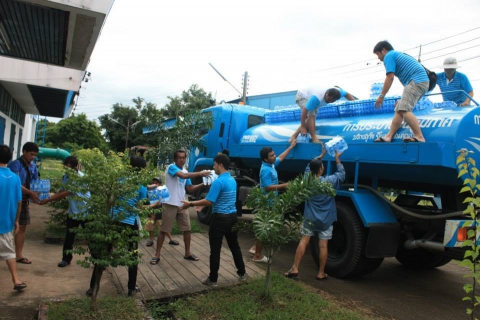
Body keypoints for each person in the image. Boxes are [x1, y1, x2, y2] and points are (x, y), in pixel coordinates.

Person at [180, 153, 247, 286]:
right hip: (232, 218)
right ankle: (242, 273)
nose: (214, 167)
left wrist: (191, 204)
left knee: (215, 250)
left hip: (219, 219)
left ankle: (213, 279)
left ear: (220, 165)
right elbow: (220, 199)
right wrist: (200, 205)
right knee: (235, 246)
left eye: (215, 165)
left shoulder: (219, 181)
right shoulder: (232, 180)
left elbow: (210, 201)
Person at [87, 155, 148, 297]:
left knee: (104, 253)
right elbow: (140, 206)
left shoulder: (118, 180)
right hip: (129, 223)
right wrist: (155, 205)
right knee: (132, 255)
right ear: (142, 169)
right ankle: (131, 288)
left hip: (114, 221)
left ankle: (92, 287)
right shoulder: (140, 185)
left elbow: (112, 199)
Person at [285, 144, 345, 280]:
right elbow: (341, 175)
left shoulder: (307, 179)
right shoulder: (329, 181)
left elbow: (308, 167)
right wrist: (337, 159)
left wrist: (320, 155)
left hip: (310, 218)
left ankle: (294, 268)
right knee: (323, 246)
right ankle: (321, 273)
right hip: (326, 220)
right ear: (321, 169)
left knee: (304, 241)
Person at [150, 150, 210, 265]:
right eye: (179, 158)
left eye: (183, 158)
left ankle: (187, 253)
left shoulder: (186, 171)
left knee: (187, 229)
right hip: (170, 203)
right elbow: (182, 176)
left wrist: (204, 184)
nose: (182, 160)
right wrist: (200, 173)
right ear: (175, 159)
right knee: (164, 230)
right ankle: (157, 254)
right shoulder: (171, 167)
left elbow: (190, 188)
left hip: (182, 204)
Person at [250, 140, 298, 263]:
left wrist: (291, 147)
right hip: (267, 203)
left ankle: (256, 248)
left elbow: (280, 158)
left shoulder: (270, 165)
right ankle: (257, 255)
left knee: (265, 227)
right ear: (266, 159)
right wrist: (285, 185)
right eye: (272, 155)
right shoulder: (265, 169)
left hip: (271, 201)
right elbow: (267, 187)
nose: (275, 156)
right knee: (264, 227)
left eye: (274, 154)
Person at [372, 40, 429, 143]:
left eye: (377, 54)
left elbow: (390, 77)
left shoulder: (389, 56)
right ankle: (389, 136)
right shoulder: (396, 55)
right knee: (399, 109)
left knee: (404, 109)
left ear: (384, 50)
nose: (378, 58)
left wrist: (381, 96)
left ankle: (419, 136)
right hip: (419, 82)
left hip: (416, 81)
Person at [39, 156, 90, 267]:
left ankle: (97, 260)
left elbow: (65, 193)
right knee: (69, 237)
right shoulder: (66, 177)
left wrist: (47, 200)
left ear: (75, 167)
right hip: (73, 211)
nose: (66, 170)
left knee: (90, 238)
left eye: (68, 168)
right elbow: (61, 191)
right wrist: (47, 195)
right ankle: (66, 259)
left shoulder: (79, 177)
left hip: (85, 211)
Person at [7, 142, 40, 265]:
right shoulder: (15, 165)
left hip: (24, 201)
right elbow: (16, 184)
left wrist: (37, 194)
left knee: (22, 227)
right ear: (24, 152)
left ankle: (19, 255)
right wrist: (31, 193)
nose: (33, 157)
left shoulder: (33, 166)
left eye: (35, 155)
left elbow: (35, 181)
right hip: (13, 200)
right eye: (31, 154)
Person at [0, 145, 27, 291]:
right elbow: (19, 202)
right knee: (9, 252)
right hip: (6, 223)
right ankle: (16, 280)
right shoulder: (15, 178)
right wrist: (16, 221)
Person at [289, 87, 356, 143]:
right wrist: (303, 127)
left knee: (311, 118)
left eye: (333, 101)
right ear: (326, 94)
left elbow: (347, 94)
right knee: (311, 114)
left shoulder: (338, 93)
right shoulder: (317, 97)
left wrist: (354, 103)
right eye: (329, 99)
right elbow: (305, 111)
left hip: (311, 95)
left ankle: (293, 136)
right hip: (303, 95)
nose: (330, 101)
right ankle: (314, 138)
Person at [145, 177, 178, 247]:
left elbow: (164, 200)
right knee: (151, 226)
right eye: (153, 182)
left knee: (163, 226)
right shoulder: (149, 191)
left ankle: (171, 239)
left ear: (160, 184)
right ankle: (151, 240)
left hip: (160, 211)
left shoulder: (162, 190)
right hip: (151, 211)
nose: (154, 184)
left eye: (156, 183)